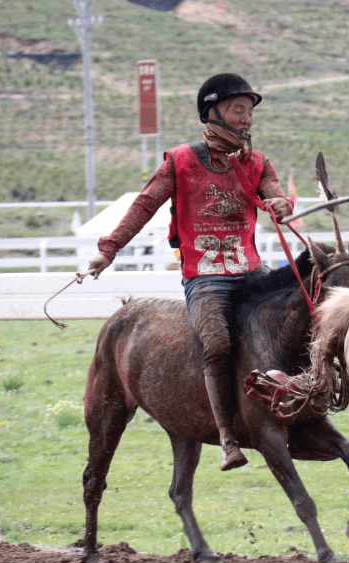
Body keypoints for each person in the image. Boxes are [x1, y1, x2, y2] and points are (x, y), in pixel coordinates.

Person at [86, 73, 293, 470]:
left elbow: (274, 194)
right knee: (216, 344)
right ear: (212, 113)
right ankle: (228, 438)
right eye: (238, 111)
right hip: (206, 277)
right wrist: (108, 250)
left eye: (249, 112)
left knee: (295, 319)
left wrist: (281, 204)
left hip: (251, 273)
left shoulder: (258, 162)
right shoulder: (179, 161)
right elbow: (144, 205)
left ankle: (305, 401)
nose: (247, 120)